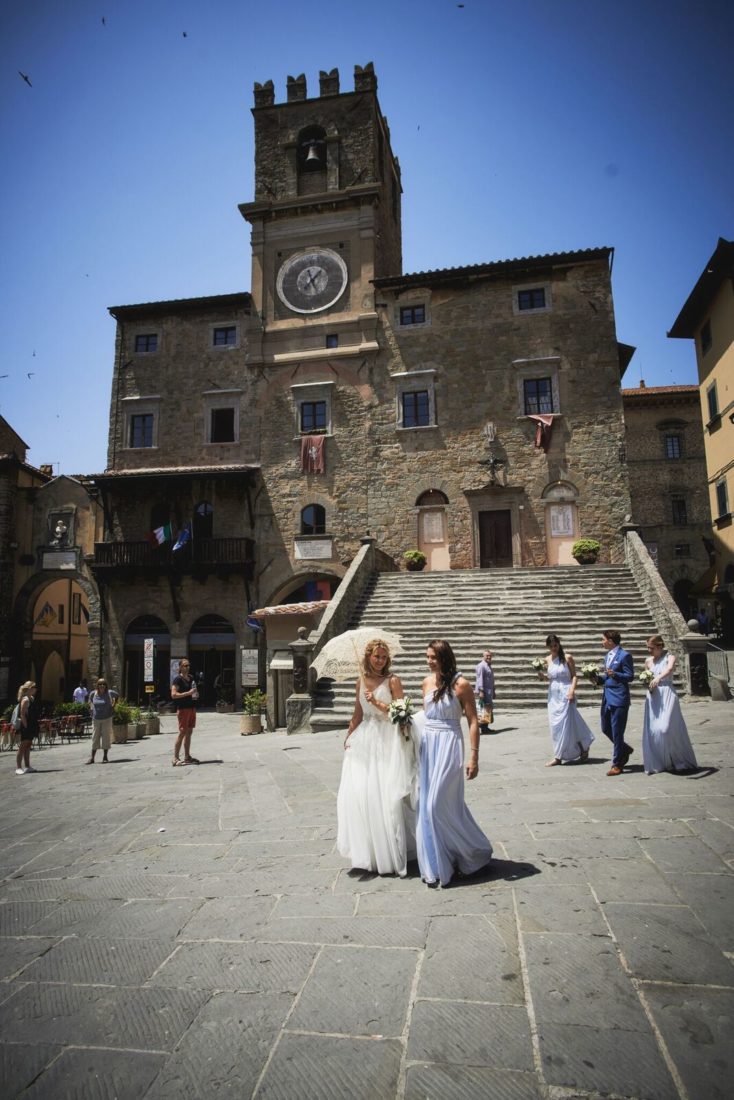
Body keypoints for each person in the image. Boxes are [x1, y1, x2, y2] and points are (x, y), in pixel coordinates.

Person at [337, 639, 418, 876]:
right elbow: (358, 713)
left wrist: (378, 702)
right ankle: (372, 851)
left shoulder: (393, 681)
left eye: (384, 657)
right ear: (368, 656)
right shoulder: (359, 682)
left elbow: (401, 714)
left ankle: (392, 850)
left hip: (387, 739)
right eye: (376, 656)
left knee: (386, 794)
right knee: (364, 794)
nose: (380, 661)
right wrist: (349, 734)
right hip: (365, 740)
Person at [416, 639, 492, 887]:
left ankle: (474, 851)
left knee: (438, 804)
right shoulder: (426, 683)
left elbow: (472, 721)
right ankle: (440, 862)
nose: (429, 661)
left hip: (449, 744)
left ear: (445, 658)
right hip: (429, 747)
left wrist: (474, 756)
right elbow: (424, 716)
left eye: (433, 658)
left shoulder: (462, 685)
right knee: (428, 806)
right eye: (427, 657)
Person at [642, 635, 697, 774]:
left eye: (652, 648)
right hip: (654, 696)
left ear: (660, 647)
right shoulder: (648, 661)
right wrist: (648, 684)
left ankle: (678, 759)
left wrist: (658, 677)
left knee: (666, 728)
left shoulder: (669, 657)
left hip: (667, 694)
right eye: (648, 647)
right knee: (654, 730)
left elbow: (670, 669)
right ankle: (663, 761)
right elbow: (646, 677)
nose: (649, 650)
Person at [538, 634, 594, 766]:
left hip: (566, 691)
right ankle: (559, 755)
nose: (554, 648)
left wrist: (571, 691)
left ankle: (581, 747)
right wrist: (542, 676)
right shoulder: (547, 659)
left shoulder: (567, 658)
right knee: (556, 725)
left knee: (570, 723)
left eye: (555, 645)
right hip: (553, 694)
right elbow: (550, 678)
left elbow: (574, 676)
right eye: (551, 647)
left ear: (559, 644)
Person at [599, 630, 635, 776]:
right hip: (607, 697)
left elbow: (630, 676)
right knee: (605, 728)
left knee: (617, 731)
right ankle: (625, 749)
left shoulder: (624, 655)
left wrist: (615, 674)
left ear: (611, 641)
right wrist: (597, 679)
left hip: (619, 697)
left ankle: (617, 764)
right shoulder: (607, 656)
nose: (602, 642)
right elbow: (606, 678)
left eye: (603, 639)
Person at [171, 659, 199, 766]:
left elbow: (193, 690)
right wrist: (188, 693)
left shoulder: (191, 678)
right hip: (183, 709)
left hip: (192, 708)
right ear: (180, 667)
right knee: (182, 732)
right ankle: (175, 758)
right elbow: (173, 695)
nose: (187, 667)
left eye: (188, 665)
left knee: (189, 732)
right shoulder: (177, 680)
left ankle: (187, 757)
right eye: (185, 665)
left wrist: (195, 694)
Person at [86, 678, 118, 764]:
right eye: (100, 684)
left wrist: (113, 705)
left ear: (106, 685)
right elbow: (89, 701)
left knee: (106, 737)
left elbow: (117, 696)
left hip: (107, 718)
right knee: (95, 737)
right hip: (96, 719)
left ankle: (105, 756)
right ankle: (92, 758)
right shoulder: (93, 693)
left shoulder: (109, 693)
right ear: (97, 685)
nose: (102, 686)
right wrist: (91, 710)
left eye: (104, 684)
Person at [16, 681, 39, 775]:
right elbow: (22, 714)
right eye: (33, 687)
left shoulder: (32, 698)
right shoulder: (25, 700)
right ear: (29, 689)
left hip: (32, 724)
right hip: (26, 725)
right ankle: (18, 767)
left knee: (28, 745)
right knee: (23, 746)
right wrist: (26, 726)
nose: (35, 689)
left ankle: (27, 766)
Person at [474, 650, 495, 730]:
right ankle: (481, 726)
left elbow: (491, 679)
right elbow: (480, 679)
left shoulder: (488, 666)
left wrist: (494, 690)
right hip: (484, 691)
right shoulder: (481, 666)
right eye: (487, 656)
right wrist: (481, 691)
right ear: (483, 656)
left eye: (490, 655)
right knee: (484, 709)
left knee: (487, 708)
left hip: (489, 691)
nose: (489, 657)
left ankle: (485, 727)